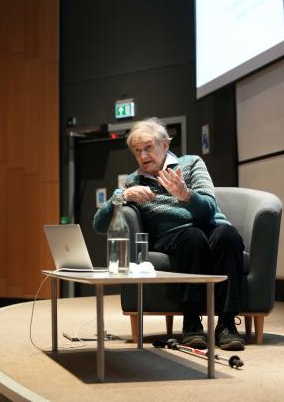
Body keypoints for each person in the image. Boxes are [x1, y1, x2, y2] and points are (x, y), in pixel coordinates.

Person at [93, 117, 245, 351]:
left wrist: (186, 194)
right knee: (192, 238)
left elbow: (209, 209)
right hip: (173, 236)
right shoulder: (133, 182)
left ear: (165, 144)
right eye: (137, 151)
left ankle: (226, 324)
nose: (143, 156)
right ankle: (192, 323)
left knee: (229, 236)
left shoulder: (192, 163)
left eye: (148, 148)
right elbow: (99, 225)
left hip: (209, 226)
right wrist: (123, 196)